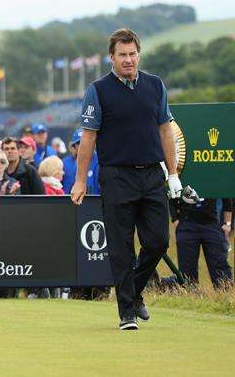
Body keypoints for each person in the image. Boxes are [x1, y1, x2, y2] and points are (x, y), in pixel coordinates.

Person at [70, 29, 181, 331]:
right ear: (112, 57)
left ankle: (132, 291)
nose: (129, 59)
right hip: (116, 175)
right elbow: (89, 137)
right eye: (123, 55)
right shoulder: (99, 89)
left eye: (133, 54)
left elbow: (165, 131)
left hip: (151, 174)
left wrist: (172, 174)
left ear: (138, 54)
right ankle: (127, 312)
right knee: (120, 247)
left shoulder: (155, 85)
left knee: (158, 242)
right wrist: (80, 180)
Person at [171, 196, 233, 289]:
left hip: (211, 223)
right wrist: (175, 220)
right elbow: (171, 196)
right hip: (187, 223)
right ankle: (190, 296)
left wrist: (227, 223)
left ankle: (225, 296)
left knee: (220, 267)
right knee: (187, 272)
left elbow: (227, 197)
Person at [62, 128, 100, 195]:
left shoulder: (101, 161)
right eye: (79, 143)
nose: (83, 145)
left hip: (98, 202)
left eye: (86, 142)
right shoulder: (65, 163)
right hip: (72, 203)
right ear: (74, 146)